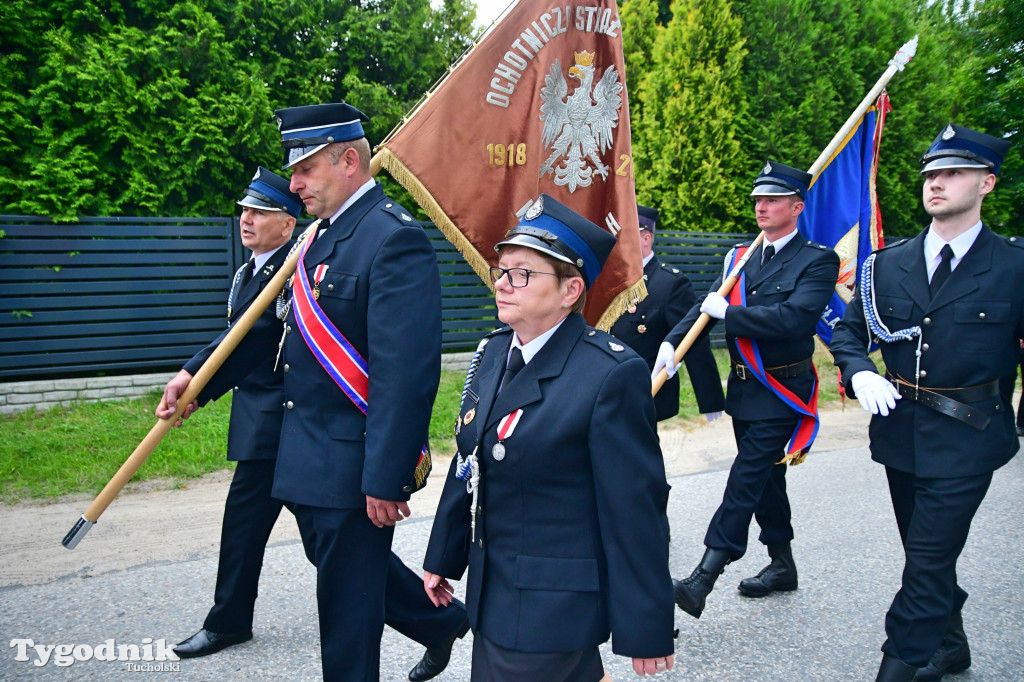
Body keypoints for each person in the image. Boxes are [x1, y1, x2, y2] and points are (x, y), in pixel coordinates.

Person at [158, 103, 468, 682]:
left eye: (304, 169)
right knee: (343, 579)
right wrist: (196, 377)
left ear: (350, 161)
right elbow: (260, 333)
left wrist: (386, 476)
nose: (293, 183)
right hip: (303, 453)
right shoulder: (317, 238)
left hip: (352, 463)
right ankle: (440, 623)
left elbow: (406, 375)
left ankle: (439, 624)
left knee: (347, 622)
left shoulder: (391, 240)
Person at [421, 194, 676, 681]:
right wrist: (444, 556)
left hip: (551, 609)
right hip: (494, 597)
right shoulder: (495, 353)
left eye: (522, 273)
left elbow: (635, 511)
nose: (503, 283)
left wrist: (647, 626)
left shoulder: (609, 375)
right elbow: (470, 462)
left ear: (570, 289)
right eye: (502, 270)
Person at [831, 123, 1021, 682]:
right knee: (925, 553)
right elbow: (848, 333)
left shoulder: (1013, 267)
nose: (936, 183)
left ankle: (899, 666)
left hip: (970, 437)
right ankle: (951, 646)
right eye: (931, 174)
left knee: (928, 560)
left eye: (953, 173)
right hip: (901, 435)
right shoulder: (887, 265)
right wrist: (860, 370)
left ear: (986, 183)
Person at [654, 161, 839, 618]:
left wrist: (729, 315)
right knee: (768, 479)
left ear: (796, 207)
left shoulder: (818, 260)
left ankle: (703, 576)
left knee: (745, 478)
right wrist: (670, 342)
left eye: (772, 199)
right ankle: (782, 562)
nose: (761, 205)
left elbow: (795, 318)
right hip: (744, 391)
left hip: (781, 389)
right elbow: (705, 307)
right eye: (758, 198)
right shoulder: (741, 257)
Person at [156, 167, 303, 658]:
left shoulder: (294, 268)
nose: (247, 218)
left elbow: (257, 334)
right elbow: (240, 345)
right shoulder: (250, 272)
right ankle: (230, 620)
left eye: (261, 211)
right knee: (247, 528)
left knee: (333, 545)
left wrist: (193, 379)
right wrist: (196, 385)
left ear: (289, 223)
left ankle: (433, 618)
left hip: (290, 422)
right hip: (261, 421)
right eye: (245, 209)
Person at [610, 203, 724, 422]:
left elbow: (692, 337)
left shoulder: (670, 283)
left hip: (646, 391)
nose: (619, 242)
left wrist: (710, 398)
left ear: (646, 238)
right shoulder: (610, 279)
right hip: (607, 389)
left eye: (627, 235)